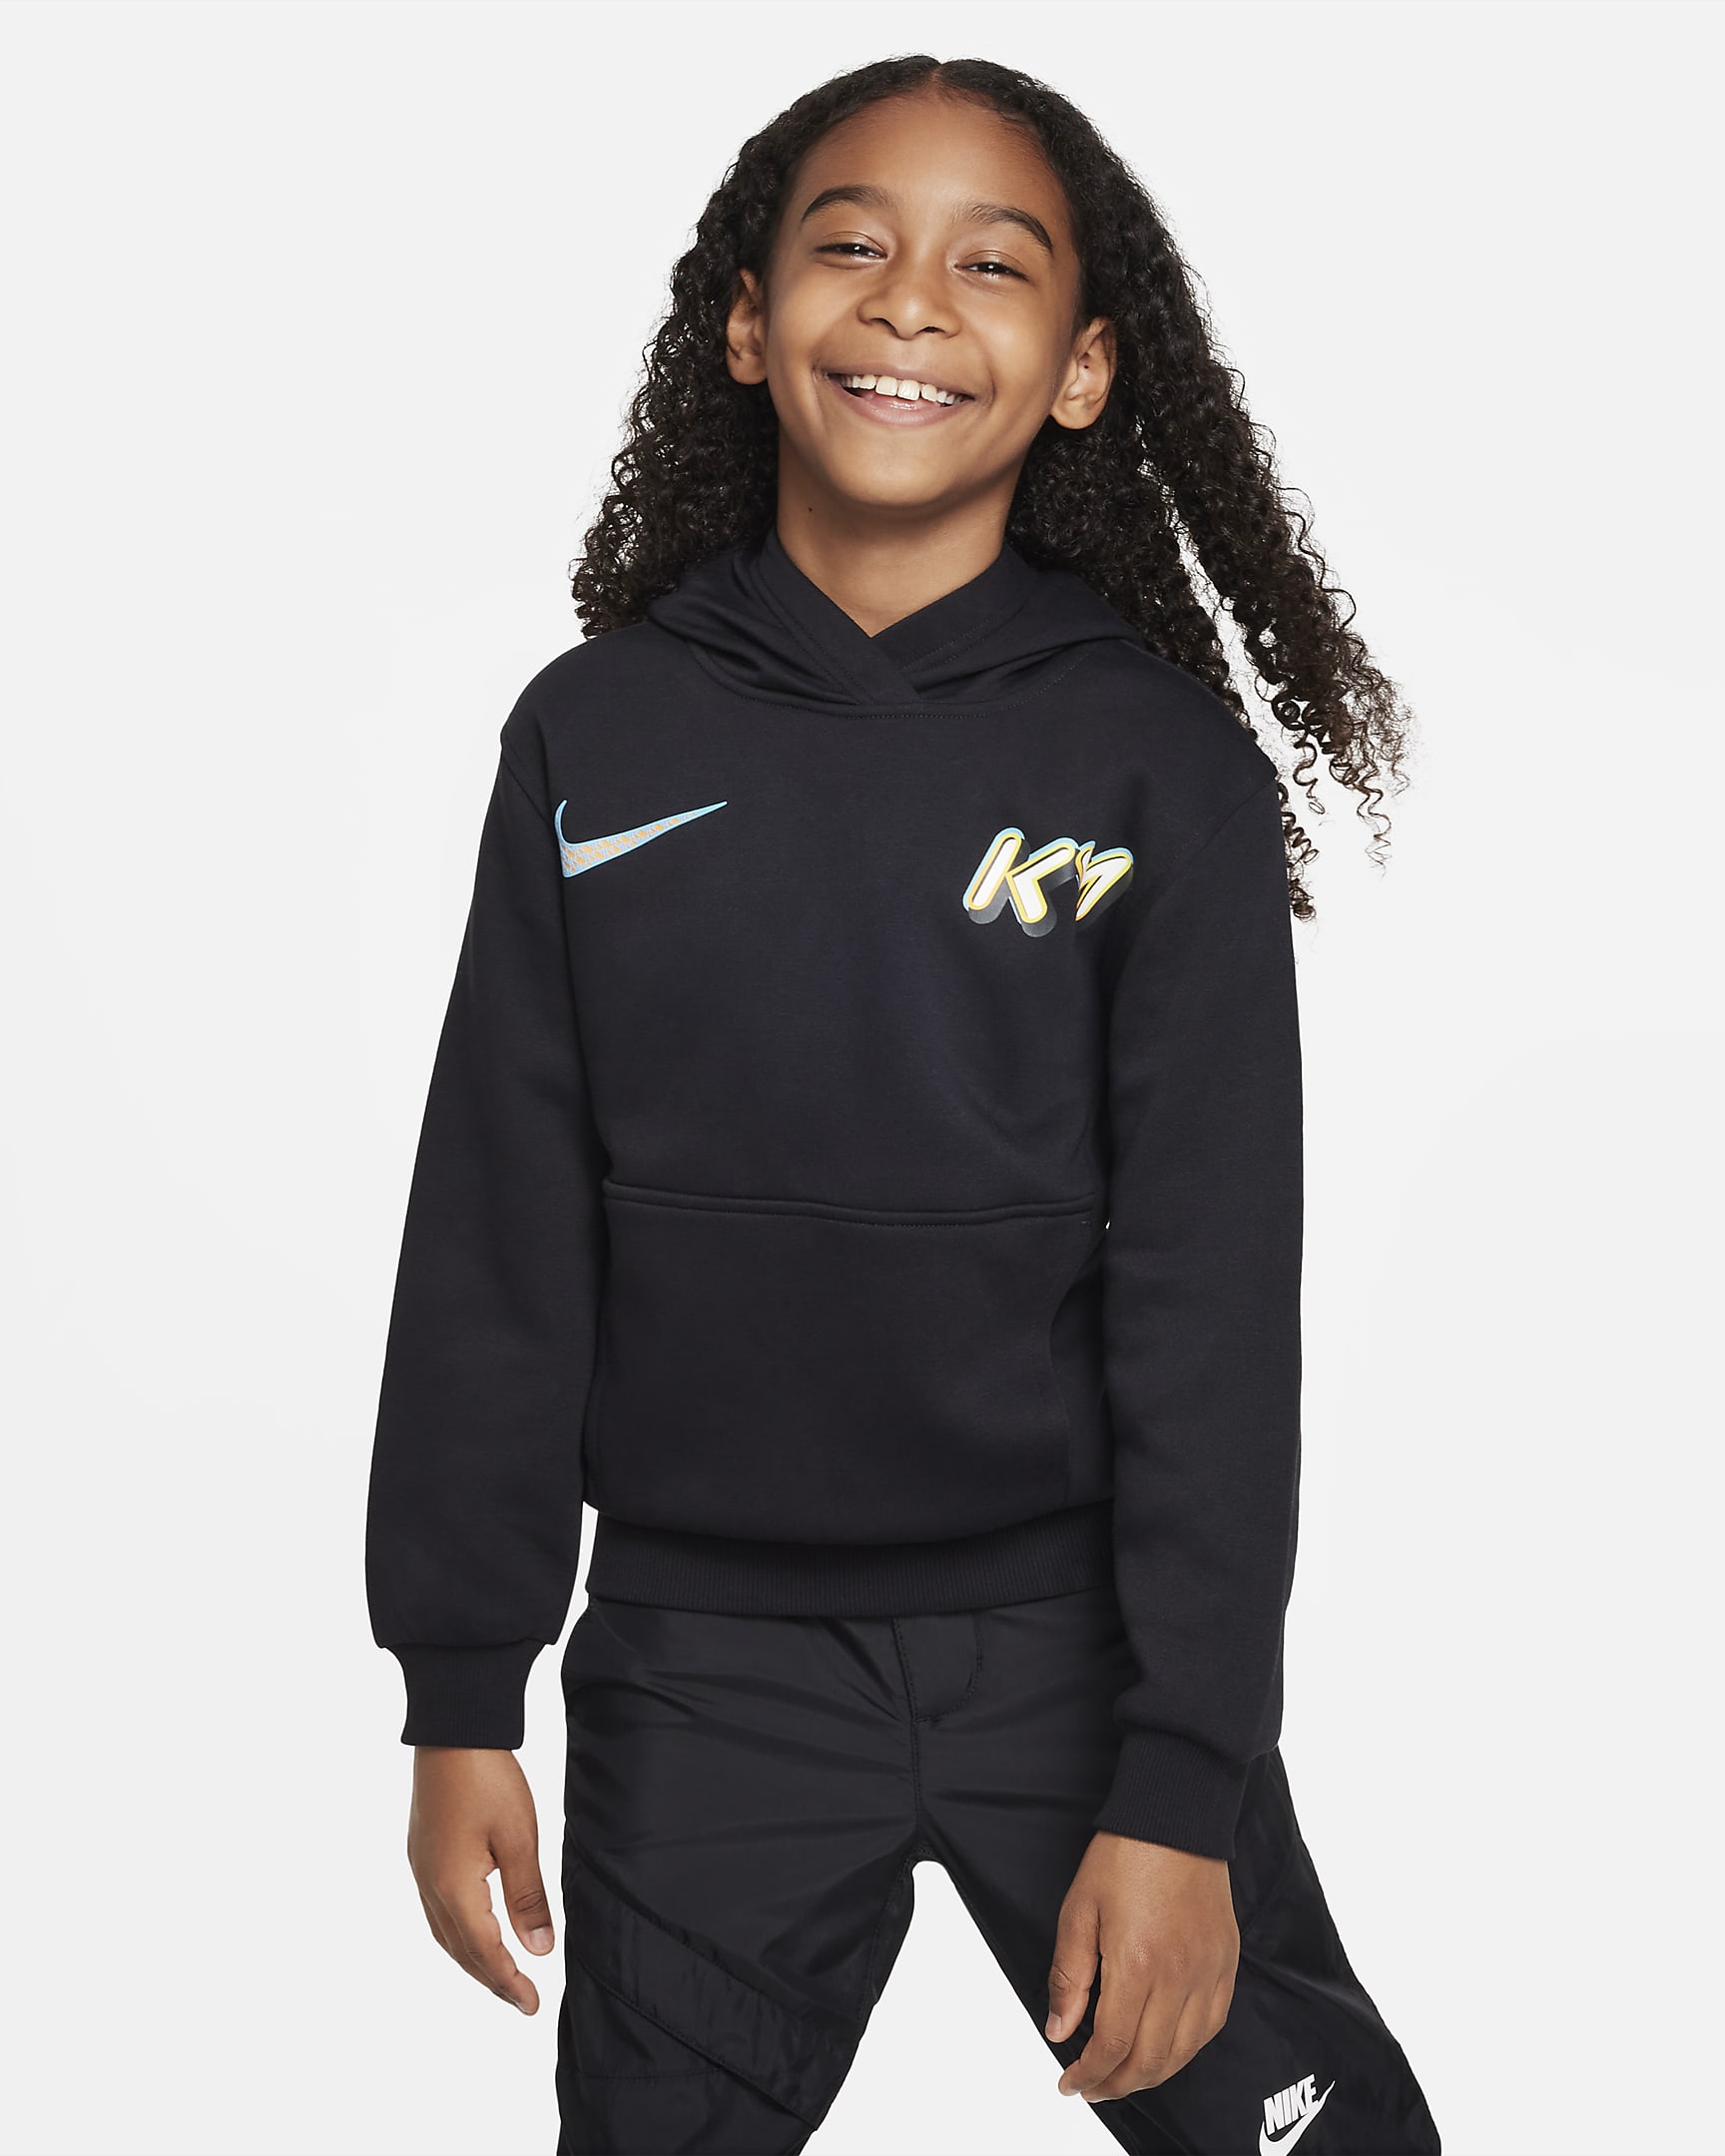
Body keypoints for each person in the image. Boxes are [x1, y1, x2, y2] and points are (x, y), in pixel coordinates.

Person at [364, 52, 1441, 2156]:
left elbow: (1214, 1301)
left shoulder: (1160, 772)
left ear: (1085, 368)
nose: (913, 301)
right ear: (746, 323)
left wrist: (1186, 1778)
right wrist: (459, 1690)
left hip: (1083, 1652)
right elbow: (500, 1231)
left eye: (993, 265)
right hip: (703, 1668)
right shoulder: (595, 737)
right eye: (849, 244)